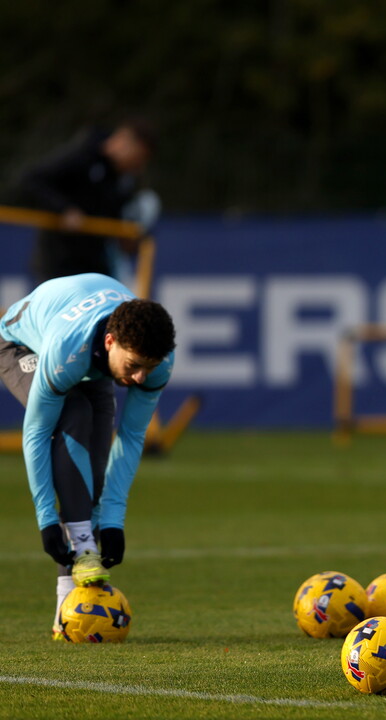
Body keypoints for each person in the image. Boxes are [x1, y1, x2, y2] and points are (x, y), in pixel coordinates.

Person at [0, 273, 176, 639]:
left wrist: (113, 520)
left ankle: (65, 614)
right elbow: (34, 434)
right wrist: (47, 519)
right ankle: (82, 548)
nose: (141, 378)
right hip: (19, 344)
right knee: (74, 413)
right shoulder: (68, 350)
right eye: (134, 366)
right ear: (111, 342)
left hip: (88, 344)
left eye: (150, 367)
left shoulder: (158, 360)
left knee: (90, 474)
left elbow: (129, 438)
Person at [18, 117, 158, 285]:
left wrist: (124, 235)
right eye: (138, 157)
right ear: (125, 142)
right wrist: (64, 209)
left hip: (96, 263)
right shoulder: (83, 155)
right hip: (60, 260)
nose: (139, 165)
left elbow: (114, 212)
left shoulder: (123, 178)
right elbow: (32, 180)